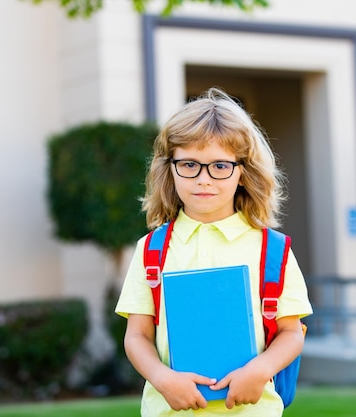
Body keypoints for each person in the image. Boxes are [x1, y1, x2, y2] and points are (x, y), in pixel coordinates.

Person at [115, 87, 313, 416]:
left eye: (220, 166)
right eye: (189, 164)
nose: (204, 180)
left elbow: (291, 333)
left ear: (242, 172)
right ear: (170, 168)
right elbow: (136, 336)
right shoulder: (151, 249)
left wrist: (260, 371)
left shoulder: (272, 250)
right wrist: (163, 379)